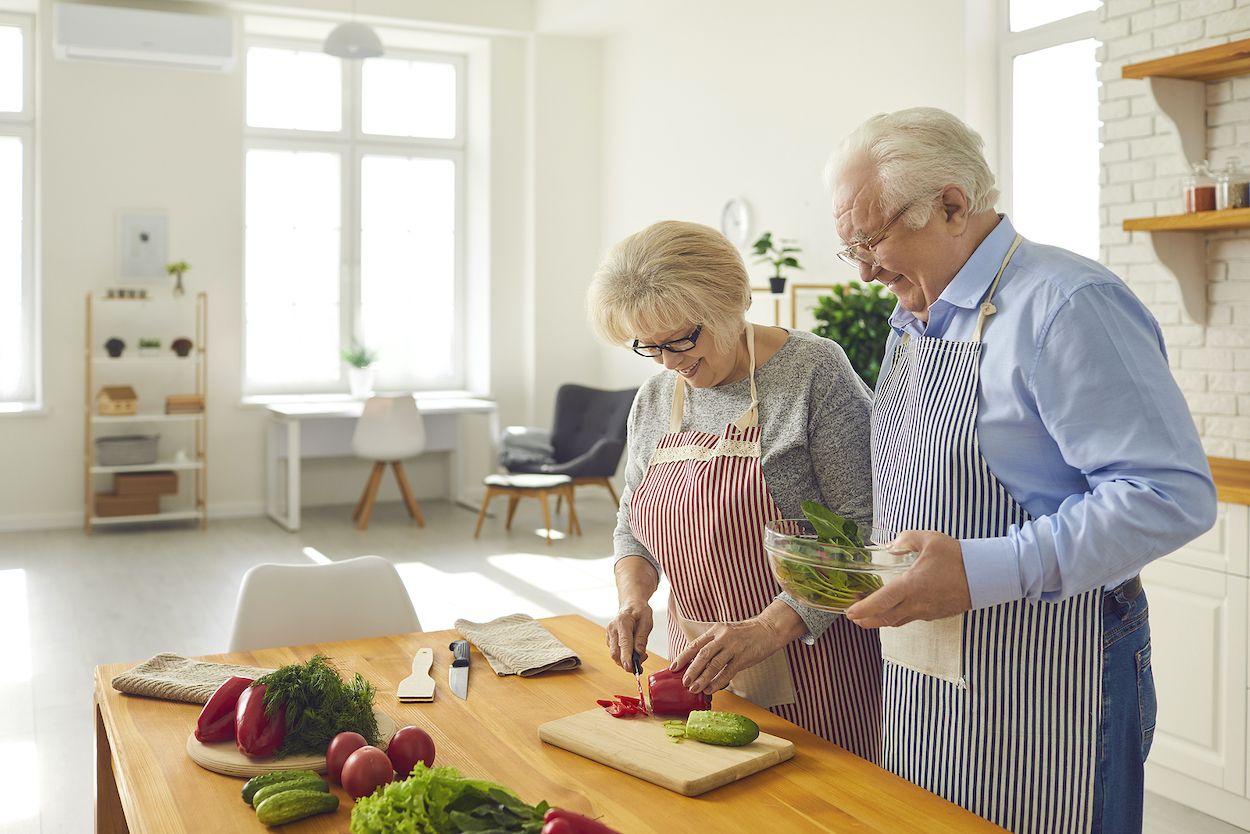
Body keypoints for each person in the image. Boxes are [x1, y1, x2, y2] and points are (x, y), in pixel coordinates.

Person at [826, 107, 1217, 834]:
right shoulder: (918, 315)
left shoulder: (1067, 304)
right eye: (848, 245)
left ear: (951, 206)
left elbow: (1170, 496)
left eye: (873, 239)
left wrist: (978, 571)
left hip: (1055, 666)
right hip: (930, 666)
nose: (863, 269)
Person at [588, 220, 881, 757]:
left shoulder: (814, 372)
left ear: (732, 302)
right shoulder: (655, 398)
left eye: (681, 339)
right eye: (649, 348)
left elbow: (862, 532)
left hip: (815, 669)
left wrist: (767, 629)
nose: (671, 363)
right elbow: (633, 526)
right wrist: (633, 600)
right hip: (699, 673)